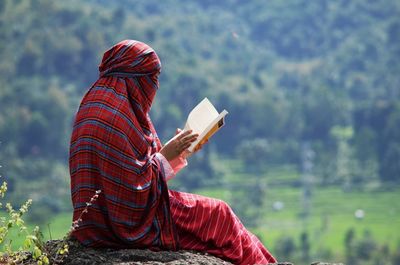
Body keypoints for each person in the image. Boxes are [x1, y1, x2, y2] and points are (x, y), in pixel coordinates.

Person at [69, 39, 277, 264]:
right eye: (153, 79)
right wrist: (165, 155)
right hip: (126, 224)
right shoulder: (115, 118)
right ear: (137, 79)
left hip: (97, 224)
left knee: (220, 221)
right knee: (220, 215)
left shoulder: (99, 104)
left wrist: (180, 151)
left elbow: (134, 174)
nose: (155, 87)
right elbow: (133, 193)